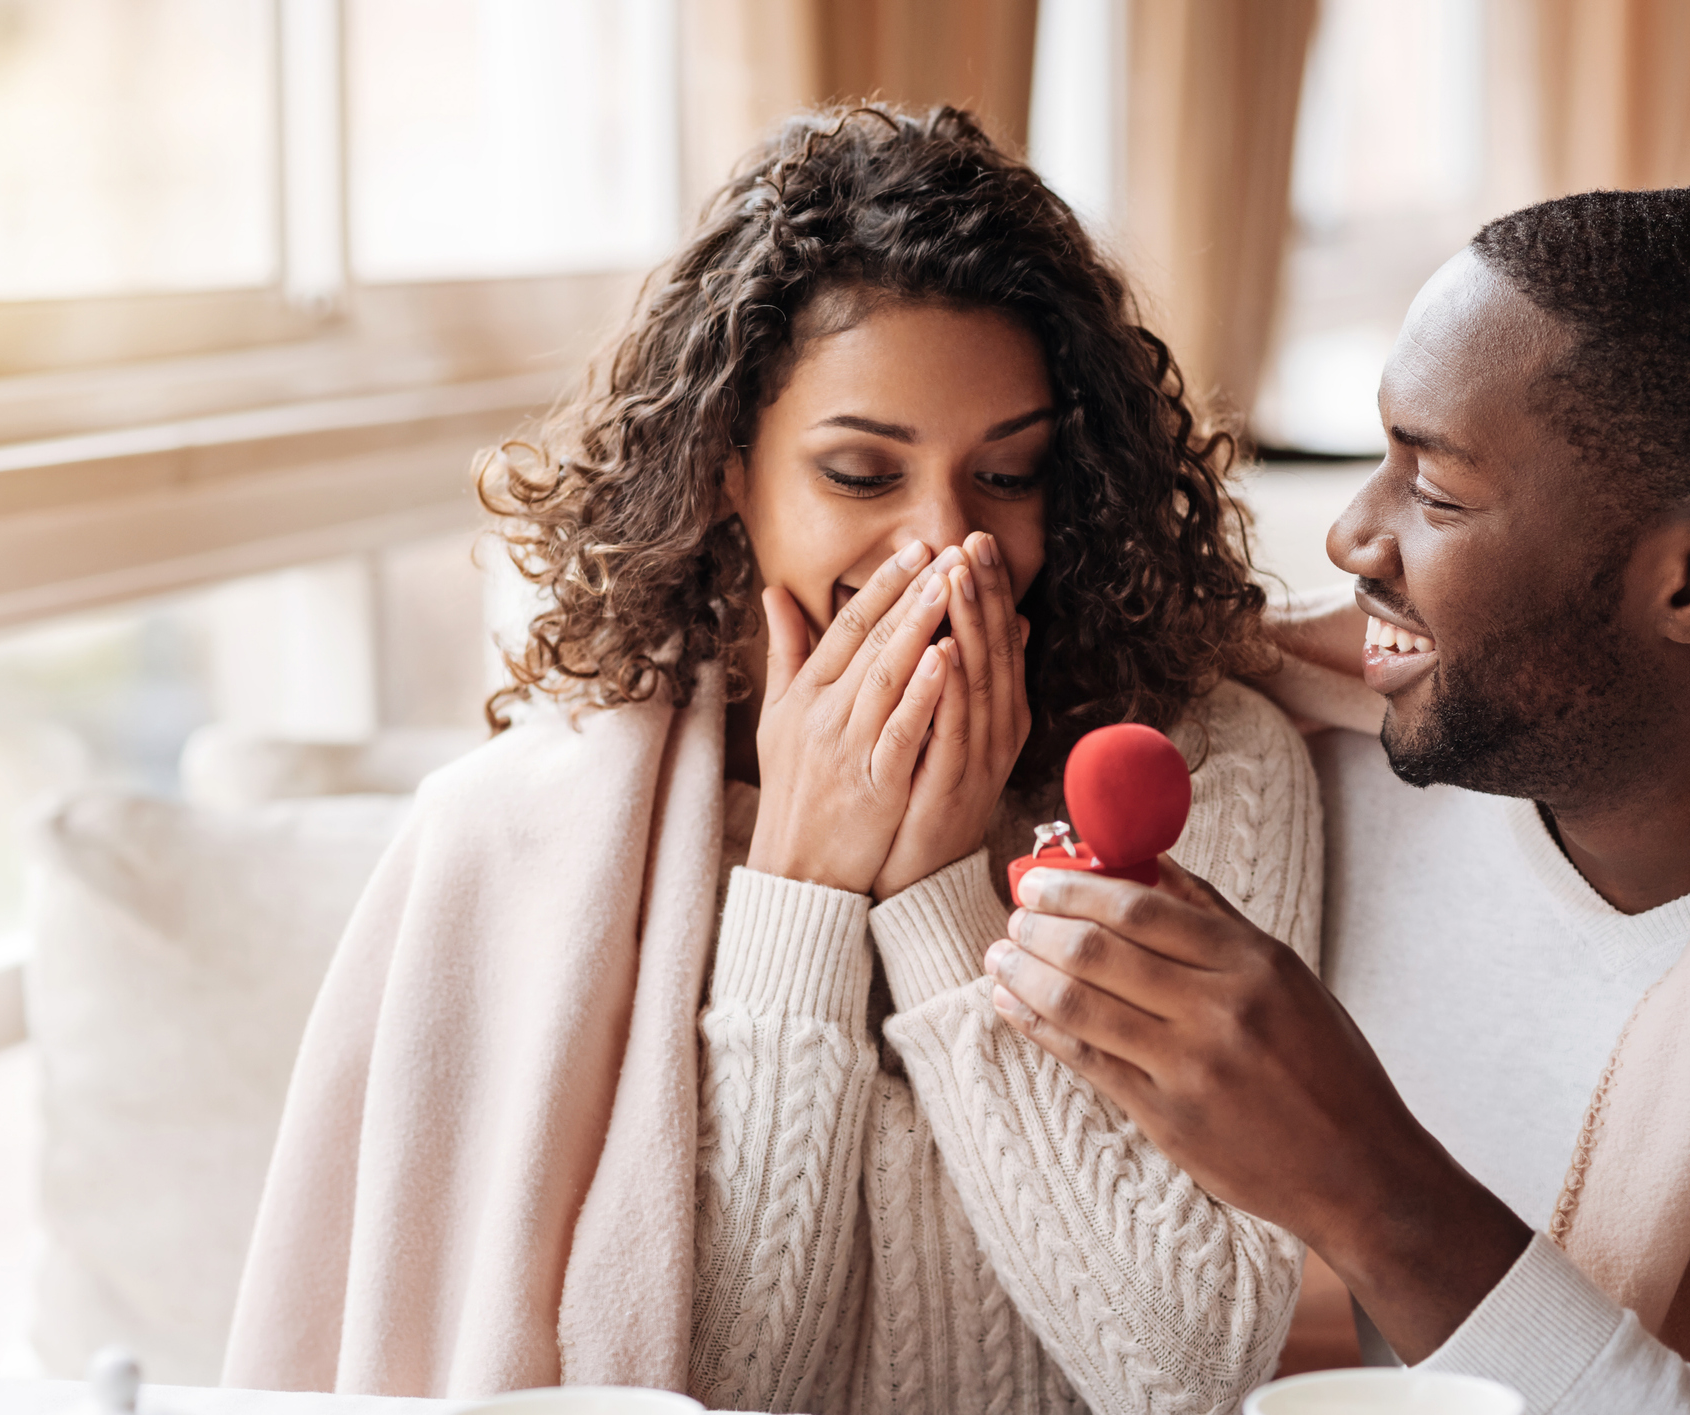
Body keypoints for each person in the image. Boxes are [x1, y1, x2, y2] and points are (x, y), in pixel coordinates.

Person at [224, 106, 1321, 1414]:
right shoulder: (533, 837)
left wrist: (930, 886)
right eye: (861, 473)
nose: (942, 546)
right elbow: (698, 1385)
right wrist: (798, 884)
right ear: (729, 470)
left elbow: (1188, 1368)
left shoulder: (1207, 770)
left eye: (1006, 475)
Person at [985, 187, 1690, 1413]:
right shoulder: (1290, 766)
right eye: (1378, 456)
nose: (1347, 537)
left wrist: (1370, 1190)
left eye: (1434, 494)